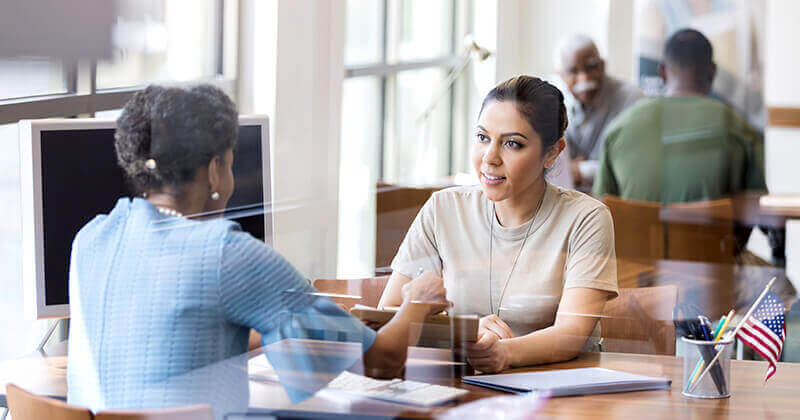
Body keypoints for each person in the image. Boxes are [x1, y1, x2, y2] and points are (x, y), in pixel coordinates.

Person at [66, 85, 448, 417]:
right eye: (231, 163)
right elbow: (380, 362)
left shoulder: (91, 238)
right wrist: (416, 302)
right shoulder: (227, 254)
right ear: (215, 171)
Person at [378, 76, 618, 373]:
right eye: (482, 137)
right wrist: (466, 331)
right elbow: (388, 315)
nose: (490, 158)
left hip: (557, 393)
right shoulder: (443, 209)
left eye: (512, 144)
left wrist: (503, 353)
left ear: (552, 152)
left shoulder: (587, 218)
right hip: (462, 386)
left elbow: (570, 334)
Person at [593, 29, 765, 204]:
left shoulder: (619, 128)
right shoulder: (740, 129)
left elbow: (601, 206)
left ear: (662, 72)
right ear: (712, 72)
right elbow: (758, 208)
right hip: (713, 232)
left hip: (635, 232)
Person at [552, 34, 643, 188]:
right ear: (560, 74)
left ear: (603, 65)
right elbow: (546, 166)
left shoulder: (631, 98)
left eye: (591, 67)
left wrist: (581, 171)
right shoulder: (549, 97)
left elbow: (634, 166)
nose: (584, 78)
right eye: (574, 71)